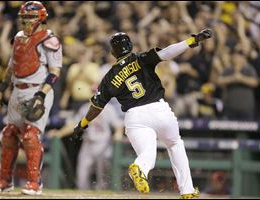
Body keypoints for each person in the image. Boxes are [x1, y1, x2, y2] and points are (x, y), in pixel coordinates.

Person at [73, 30, 212, 198]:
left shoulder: (109, 77)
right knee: (175, 145)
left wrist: (82, 124)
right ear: (130, 46)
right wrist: (190, 41)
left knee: (147, 153)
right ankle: (187, 191)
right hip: (159, 110)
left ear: (112, 52)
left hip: (135, 117)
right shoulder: (140, 58)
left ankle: (140, 168)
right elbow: (167, 52)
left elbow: (96, 106)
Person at [0, 1, 62, 195]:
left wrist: (41, 95)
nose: (26, 20)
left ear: (41, 17)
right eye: (24, 17)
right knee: (9, 134)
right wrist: (2, 88)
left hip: (38, 89)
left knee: (30, 135)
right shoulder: (18, 37)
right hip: (17, 90)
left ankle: (35, 183)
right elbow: (11, 67)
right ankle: (4, 181)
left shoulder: (50, 39)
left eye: (30, 17)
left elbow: (55, 72)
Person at [48, 103, 123, 190]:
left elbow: (118, 124)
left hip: (103, 143)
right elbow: (74, 124)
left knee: (102, 176)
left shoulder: (109, 108)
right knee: (81, 175)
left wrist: (118, 133)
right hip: (88, 143)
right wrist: (60, 133)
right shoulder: (85, 108)